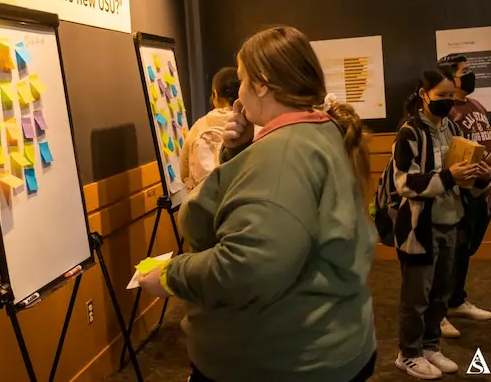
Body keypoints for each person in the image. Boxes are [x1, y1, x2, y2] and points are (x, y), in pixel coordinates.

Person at [138, 26, 378, 382]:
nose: (239, 95)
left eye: (243, 79)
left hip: (283, 361)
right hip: (331, 341)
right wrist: (242, 150)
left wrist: (171, 276)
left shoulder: (282, 154)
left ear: (262, 84)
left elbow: (248, 268)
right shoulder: (320, 129)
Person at [393, 69, 491, 380]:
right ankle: (408, 353)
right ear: (424, 95)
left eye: (451, 96)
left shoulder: (450, 127)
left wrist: (479, 177)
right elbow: (404, 182)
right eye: (441, 96)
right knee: (416, 297)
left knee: (440, 293)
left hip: (452, 221)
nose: (448, 102)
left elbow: (461, 182)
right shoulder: (409, 133)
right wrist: (450, 177)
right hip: (419, 229)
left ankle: (430, 346)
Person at [436, 54, 491, 340]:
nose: (469, 75)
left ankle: (456, 300)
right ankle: (439, 311)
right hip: (457, 190)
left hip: (479, 188)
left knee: (466, 248)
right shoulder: (448, 112)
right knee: (451, 251)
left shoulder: (477, 105)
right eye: (464, 71)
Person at [180, 67, 239, 189]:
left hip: (203, 199)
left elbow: (184, 173)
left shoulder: (199, 125)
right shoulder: (252, 123)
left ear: (215, 94)